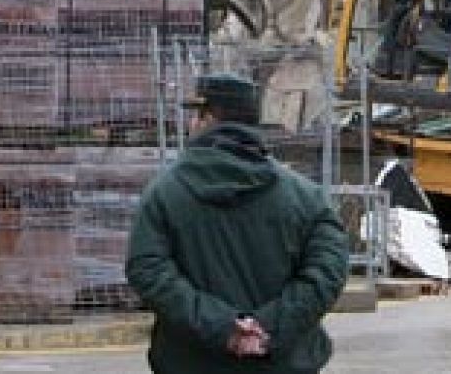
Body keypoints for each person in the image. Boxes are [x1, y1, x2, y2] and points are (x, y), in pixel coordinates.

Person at [126, 73, 349, 373]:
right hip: (283, 363)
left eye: (196, 115)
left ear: (208, 119)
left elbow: (147, 269)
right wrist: (268, 327)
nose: (191, 124)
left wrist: (225, 329)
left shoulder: (163, 194)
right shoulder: (307, 199)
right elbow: (328, 272)